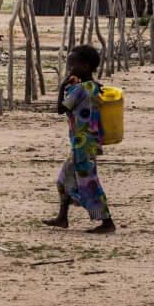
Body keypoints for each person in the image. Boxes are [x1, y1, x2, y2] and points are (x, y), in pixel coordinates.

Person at [44, 44, 116, 233]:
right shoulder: (93, 86)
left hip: (82, 144)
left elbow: (61, 109)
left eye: (72, 65)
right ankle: (62, 217)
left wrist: (62, 87)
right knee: (63, 179)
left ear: (84, 66)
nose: (69, 69)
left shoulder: (79, 90)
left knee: (89, 182)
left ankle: (107, 222)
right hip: (88, 141)